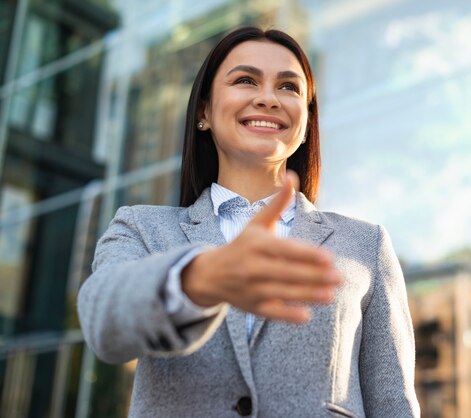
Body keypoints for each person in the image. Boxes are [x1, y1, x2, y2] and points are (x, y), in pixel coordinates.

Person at [77, 26, 420, 418]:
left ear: (306, 122)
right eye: (245, 80)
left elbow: (394, 405)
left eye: (289, 87)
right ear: (203, 111)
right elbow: (101, 322)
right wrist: (197, 280)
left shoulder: (366, 245)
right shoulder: (141, 228)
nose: (268, 98)